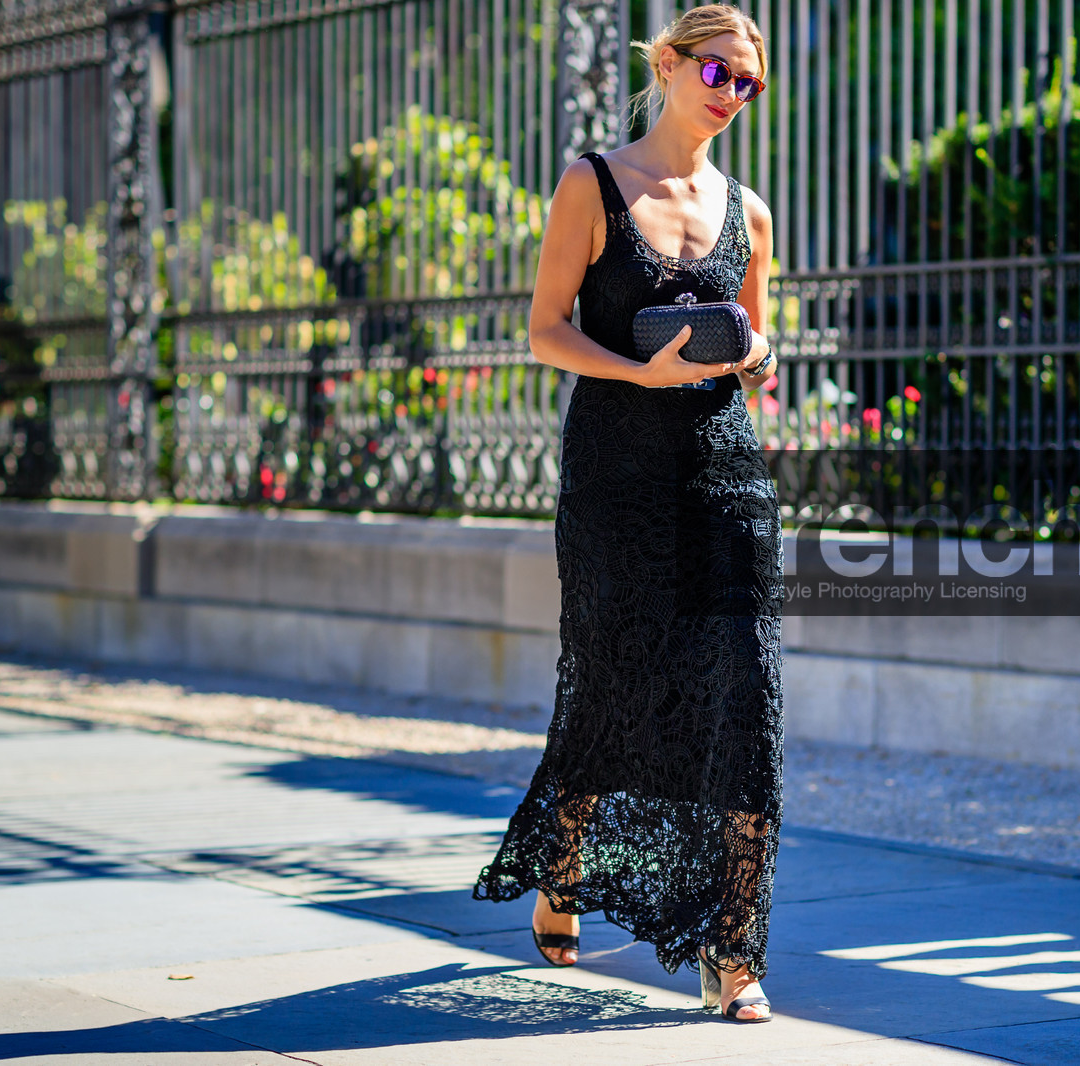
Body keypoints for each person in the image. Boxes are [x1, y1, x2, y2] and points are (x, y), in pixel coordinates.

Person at [471, 4, 782, 1025]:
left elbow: (761, 341)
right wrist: (636, 372)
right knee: (613, 683)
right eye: (717, 72)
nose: (730, 94)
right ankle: (562, 872)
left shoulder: (750, 211)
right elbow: (545, 331)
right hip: (615, 478)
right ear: (669, 63)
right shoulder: (592, 184)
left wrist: (749, 351)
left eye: (747, 83)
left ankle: (731, 950)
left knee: (741, 699)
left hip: (724, 476)